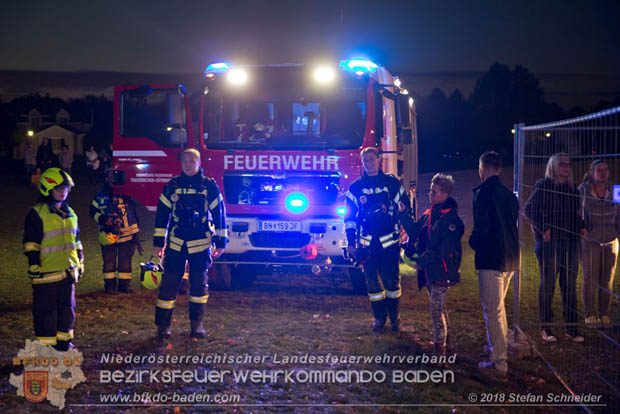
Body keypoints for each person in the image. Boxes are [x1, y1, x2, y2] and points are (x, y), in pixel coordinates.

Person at [152, 149, 227, 339]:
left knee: (199, 288)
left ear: (199, 163)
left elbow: (219, 213)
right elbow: (162, 216)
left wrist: (220, 241)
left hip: (200, 245)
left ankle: (196, 325)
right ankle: (163, 326)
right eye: (185, 161)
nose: (188, 164)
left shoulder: (208, 186)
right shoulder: (172, 186)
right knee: (169, 285)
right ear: (181, 163)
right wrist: (158, 244)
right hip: (176, 244)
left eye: (192, 161)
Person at [345, 147, 410, 332]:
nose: (368, 163)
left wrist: (400, 212)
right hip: (367, 246)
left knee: (391, 284)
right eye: (365, 160)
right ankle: (379, 318)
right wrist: (351, 243)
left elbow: (405, 206)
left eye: (371, 159)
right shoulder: (355, 188)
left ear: (379, 160)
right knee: (372, 284)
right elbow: (349, 219)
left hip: (389, 245)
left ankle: (395, 318)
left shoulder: (391, 183)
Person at [399, 174, 464, 355]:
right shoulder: (431, 214)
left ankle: (439, 352)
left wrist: (421, 260)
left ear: (444, 194)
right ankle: (446, 344)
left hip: (442, 270)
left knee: (436, 310)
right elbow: (414, 231)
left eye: (433, 191)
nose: (429, 194)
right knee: (439, 307)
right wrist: (403, 213)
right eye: (430, 190)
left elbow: (442, 250)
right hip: (431, 269)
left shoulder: (450, 219)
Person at [524, 152, 585, 343]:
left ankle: (571, 328)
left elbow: (577, 213)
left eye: (568, 165)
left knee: (569, 285)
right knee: (548, 284)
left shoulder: (572, 189)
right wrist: (543, 228)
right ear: (554, 166)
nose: (566, 168)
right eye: (562, 164)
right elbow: (529, 209)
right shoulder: (544, 186)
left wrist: (582, 226)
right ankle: (546, 327)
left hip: (571, 241)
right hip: (550, 243)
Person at [469, 151, 519, 376]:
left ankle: (499, 363)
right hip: (510, 257)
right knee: (499, 309)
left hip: (491, 259)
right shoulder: (509, 195)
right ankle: (498, 349)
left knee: (493, 310)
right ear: (498, 168)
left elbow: (483, 228)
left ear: (483, 168)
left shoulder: (483, 194)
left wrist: (473, 242)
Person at [23, 168, 83, 351]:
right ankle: (46, 348)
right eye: (58, 189)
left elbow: (77, 241)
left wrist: (80, 263)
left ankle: (64, 343)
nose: (62, 192)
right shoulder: (37, 213)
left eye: (65, 188)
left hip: (67, 273)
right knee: (46, 313)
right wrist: (34, 264)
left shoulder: (71, 213)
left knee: (67, 311)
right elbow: (31, 243)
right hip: (46, 274)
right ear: (46, 189)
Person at [578, 159, 619, 327]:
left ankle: (604, 314)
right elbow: (577, 212)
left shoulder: (615, 190)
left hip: (611, 240)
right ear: (592, 173)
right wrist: (582, 228)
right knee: (590, 277)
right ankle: (590, 315)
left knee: (607, 279)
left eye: (605, 170)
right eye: (599, 170)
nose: (603, 173)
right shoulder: (584, 190)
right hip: (590, 241)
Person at [90, 170, 143, 294]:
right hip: (108, 234)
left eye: (115, 174)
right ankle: (109, 287)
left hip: (127, 234)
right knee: (109, 262)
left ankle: (124, 286)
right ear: (106, 177)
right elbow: (92, 211)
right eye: (110, 174)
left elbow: (132, 214)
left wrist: (135, 233)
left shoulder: (126, 193)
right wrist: (102, 219)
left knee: (125, 261)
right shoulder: (100, 195)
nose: (113, 177)